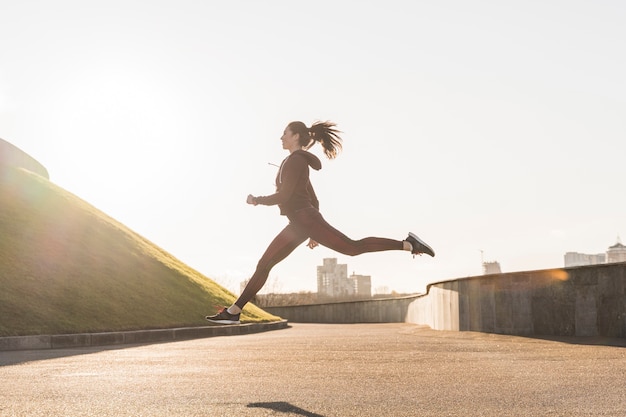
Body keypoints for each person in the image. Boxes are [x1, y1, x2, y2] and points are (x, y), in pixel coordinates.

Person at [206, 121, 434, 324]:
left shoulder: (296, 161)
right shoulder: (293, 161)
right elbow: (313, 198)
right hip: (300, 224)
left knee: (353, 248)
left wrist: (257, 200)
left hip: (305, 220)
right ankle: (234, 311)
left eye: (284, 133)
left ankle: (409, 244)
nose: (281, 137)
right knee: (264, 264)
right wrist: (311, 231)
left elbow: (285, 197)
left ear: (295, 136)